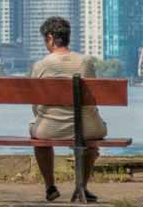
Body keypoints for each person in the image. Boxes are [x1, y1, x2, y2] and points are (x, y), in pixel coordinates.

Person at [29, 16, 107, 203]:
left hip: (50, 128)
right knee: (91, 138)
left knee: (38, 137)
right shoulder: (85, 62)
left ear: (49, 38)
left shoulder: (41, 65)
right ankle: (82, 186)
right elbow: (92, 100)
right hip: (87, 127)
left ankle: (50, 186)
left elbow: (34, 104)